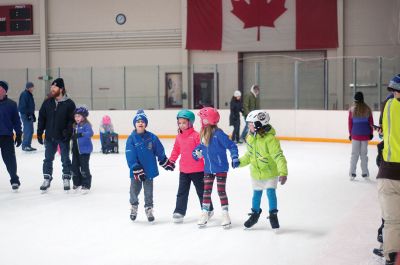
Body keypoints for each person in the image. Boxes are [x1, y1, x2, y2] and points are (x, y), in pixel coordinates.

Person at [237, 110, 288, 229]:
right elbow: (249, 156)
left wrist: (283, 172)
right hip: (256, 173)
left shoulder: (270, 139)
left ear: (258, 124)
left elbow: (278, 156)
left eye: (250, 124)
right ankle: (255, 214)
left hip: (270, 172)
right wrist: (239, 162)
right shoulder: (250, 137)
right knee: (256, 195)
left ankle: (273, 215)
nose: (248, 126)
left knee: (270, 193)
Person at [192, 107, 239, 229]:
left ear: (209, 120)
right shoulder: (203, 133)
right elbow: (200, 147)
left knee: (221, 191)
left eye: (203, 119)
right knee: (206, 191)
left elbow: (232, 145)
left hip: (220, 168)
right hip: (208, 169)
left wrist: (234, 157)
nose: (201, 121)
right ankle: (205, 212)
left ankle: (225, 214)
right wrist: (196, 153)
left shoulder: (219, 134)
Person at [125, 109, 172, 222]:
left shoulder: (152, 137)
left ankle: (149, 208)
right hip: (136, 171)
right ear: (135, 124)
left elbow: (159, 150)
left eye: (142, 121)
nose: (140, 123)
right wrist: (135, 167)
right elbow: (130, 154)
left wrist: (164, 161)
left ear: (145, 124)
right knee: (134, 190)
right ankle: (134, 207)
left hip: (149, 170)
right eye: (138, 121)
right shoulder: (131, 138)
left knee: (148, 191)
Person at [167, 109, 213, 223]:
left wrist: (203, 156)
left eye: (184, 122)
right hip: (184, 170)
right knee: (182, 192)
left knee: (201, 191)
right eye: (179, 123)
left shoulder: (196, 136)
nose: (181, 125)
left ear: (190, 123)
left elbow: (204, 150)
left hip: (198, 170)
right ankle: (179, 211)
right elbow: (176, 150)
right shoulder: (179, 137)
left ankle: (208, 209)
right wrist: (171, 161)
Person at [37, 78, 76, 191]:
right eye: (51, 87)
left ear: (61, 89)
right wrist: (39, 132)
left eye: (54, 87)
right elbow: (42, 118)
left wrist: (67, 132)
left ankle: (66, 178)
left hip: (63, 137)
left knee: (65, 159)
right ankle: (47, 178)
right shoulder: (47, 102)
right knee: (48, 159)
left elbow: (72, 120)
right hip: (49, 136)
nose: (52, 89)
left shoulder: (69, 103)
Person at [377, 74, 400, 265]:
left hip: (389, 172)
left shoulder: (389, 106)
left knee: (392, 221)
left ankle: (391, 256)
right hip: (390, 174)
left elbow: (382, 131)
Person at [0, 81, 22, 191]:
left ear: (5, 91)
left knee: (9, 160)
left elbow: (16, 121)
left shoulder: (11, 104)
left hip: (6, 137)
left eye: (0, 88)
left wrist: (19, 133)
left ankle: (14, 179)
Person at [348, 91, 373, 180]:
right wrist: (371, 133)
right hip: (365, 135)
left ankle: (352, 173)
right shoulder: (367, 109)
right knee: (364, 155)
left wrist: (350, 134)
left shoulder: (352, 109)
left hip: (355, 135)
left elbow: (350, 123)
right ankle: (365, 173)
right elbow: (371, 123)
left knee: (354, 154)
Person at [71, 107, 94, 194]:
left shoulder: (86, 125)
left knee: (84, 168)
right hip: (75, 150)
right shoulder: (74, 126)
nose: (77, 118)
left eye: (79, 116)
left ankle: (86, 184)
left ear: (83, 117)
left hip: (84, 151)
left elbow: (90, 133)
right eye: (75, 116)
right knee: (74, 167)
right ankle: (77, 183)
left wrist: (81, 134)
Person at [18, 81, 36, 151]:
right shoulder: (25, 94)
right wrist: (28, 114)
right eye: (32, 87)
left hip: (29, 114)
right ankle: (25, 145)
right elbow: (22, 106)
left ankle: (28, 145)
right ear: (28, 87)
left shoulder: (29, 94)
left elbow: (30, 106)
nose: (33, 88)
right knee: (28, 130)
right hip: (25, 115)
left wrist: (33, 114)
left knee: (30, 130)